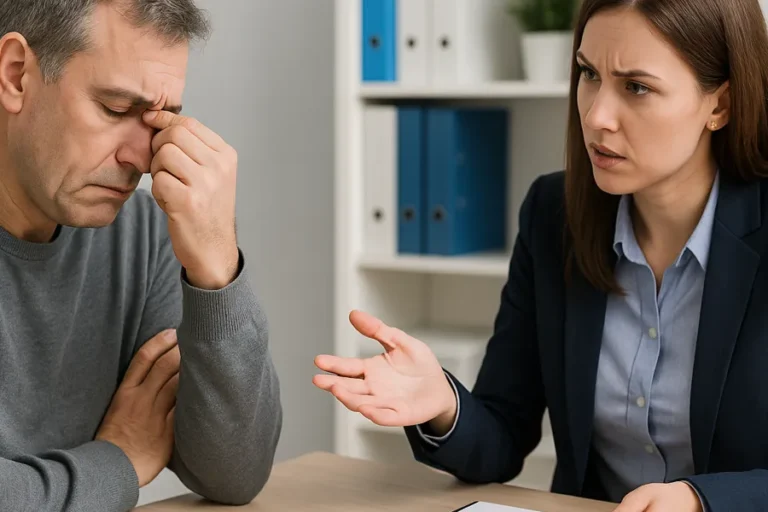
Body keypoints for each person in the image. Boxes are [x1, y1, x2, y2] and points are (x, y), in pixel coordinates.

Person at [314, 0, 768, 510]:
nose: (597, 115)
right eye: (588, 73)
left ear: (720, 105)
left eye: (636, 87)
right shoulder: (553, 215)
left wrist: (699, 499)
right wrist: (442, 404)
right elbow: (503, 435)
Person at [0, 0, 282, 511]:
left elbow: (232, 474)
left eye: (160, 120)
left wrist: (217, 269)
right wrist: (119, 461)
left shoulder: (142, 233)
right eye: (113, 109)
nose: (140, 157)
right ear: (16, 75)